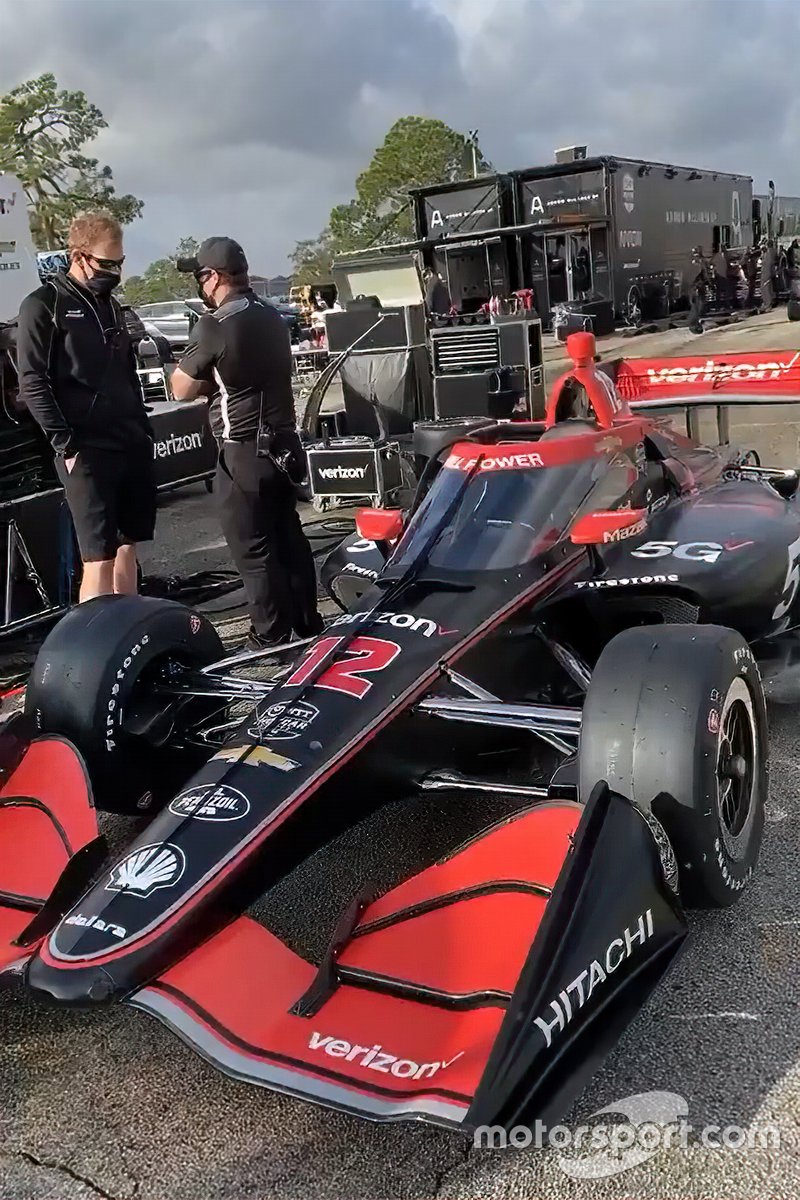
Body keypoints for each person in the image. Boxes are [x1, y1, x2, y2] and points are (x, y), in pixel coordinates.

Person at [170, 237, 321, 650]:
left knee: (253, 549)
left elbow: (180, 388)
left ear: (214, 277)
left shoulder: (215, 323)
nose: (199, 286)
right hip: (285, 445)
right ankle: (308, 622)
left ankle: (270, 636)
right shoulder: (272, 315)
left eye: (200, 276)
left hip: (243, 450)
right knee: (289, 534)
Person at [16, 211, 155, 601]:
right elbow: (32, 382)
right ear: (79, 256)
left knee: (129, 544)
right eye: (107, 263)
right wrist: (66, 444)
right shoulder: (44, 305)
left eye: (120, 263)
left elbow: (126, 372)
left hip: (129, 437)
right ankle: (95, 645)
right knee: (98, 555)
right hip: (85, 446)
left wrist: (143, 428)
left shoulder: (111, 305)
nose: (115, 271)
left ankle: (132, 626)